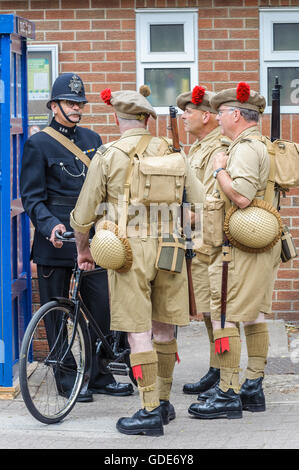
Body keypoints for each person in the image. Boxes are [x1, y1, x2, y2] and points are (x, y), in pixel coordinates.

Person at [70, 85, 205, 436]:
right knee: (163, 329)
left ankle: (147, 411)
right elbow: (200, 204)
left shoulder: (108, 154)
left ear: (118, 119)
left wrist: (83, 249)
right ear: (148, 120)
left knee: (137, 333)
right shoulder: (174, 151)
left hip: (128, 252)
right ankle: (162, 402)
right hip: (171, 250)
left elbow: (84, 214)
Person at [20, 73, 133, 402]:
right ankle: (66, 377)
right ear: (54, 106)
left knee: (100, 308)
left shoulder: (93, 138)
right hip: (55, 240)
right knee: (56, 312)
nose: (77, 108)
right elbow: (32, 197)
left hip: (93, 239)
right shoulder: (37, 143)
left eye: (80, 103)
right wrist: (49, 225)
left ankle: (98, 373)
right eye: (70, 103)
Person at [188, 82, 281, 420]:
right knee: (254, 313)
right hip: (257, 243)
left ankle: (228, 392)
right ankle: (253, 387)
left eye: (222, 112)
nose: (218, 117)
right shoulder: (262, 144)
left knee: (225, 316)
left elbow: (240, 197)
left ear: (237, 115)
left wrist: (218, 168)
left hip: (239, 247)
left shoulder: (242, 148)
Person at [176, 85, 231, 398]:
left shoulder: (216, 148)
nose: (185, 117)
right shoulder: (195, 147)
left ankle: (224, 373)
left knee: (217, 310)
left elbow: (208, 200)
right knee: (209, 312)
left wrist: (180, 217)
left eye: (189, 111)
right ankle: (216, 367)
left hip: (210, 240)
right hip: (197, 241)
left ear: (207, 116)